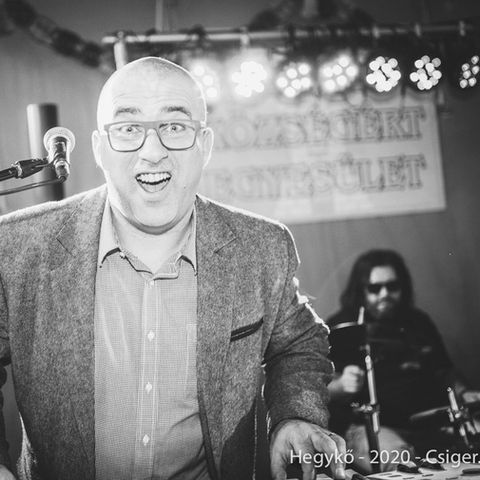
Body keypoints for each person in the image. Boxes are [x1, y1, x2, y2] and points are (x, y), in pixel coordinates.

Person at [0, 57, 346, 480]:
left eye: (175, 126)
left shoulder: (261, 248)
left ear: (205, 145)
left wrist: (295, 415)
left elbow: (299, 344)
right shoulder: (16, 247)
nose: (152, 152)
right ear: (99, 148)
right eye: (128, 128)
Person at [326, 249, 480, 474]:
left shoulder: (418, 322)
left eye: (392, 286)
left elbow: (444, 370)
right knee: (403, 463)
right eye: (375, 288)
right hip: (369, 428)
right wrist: (341, 385)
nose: (385, 294)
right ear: (361, 290)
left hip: (427, 422)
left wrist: (464, 391)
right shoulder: (341, 328)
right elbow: (318, 388)